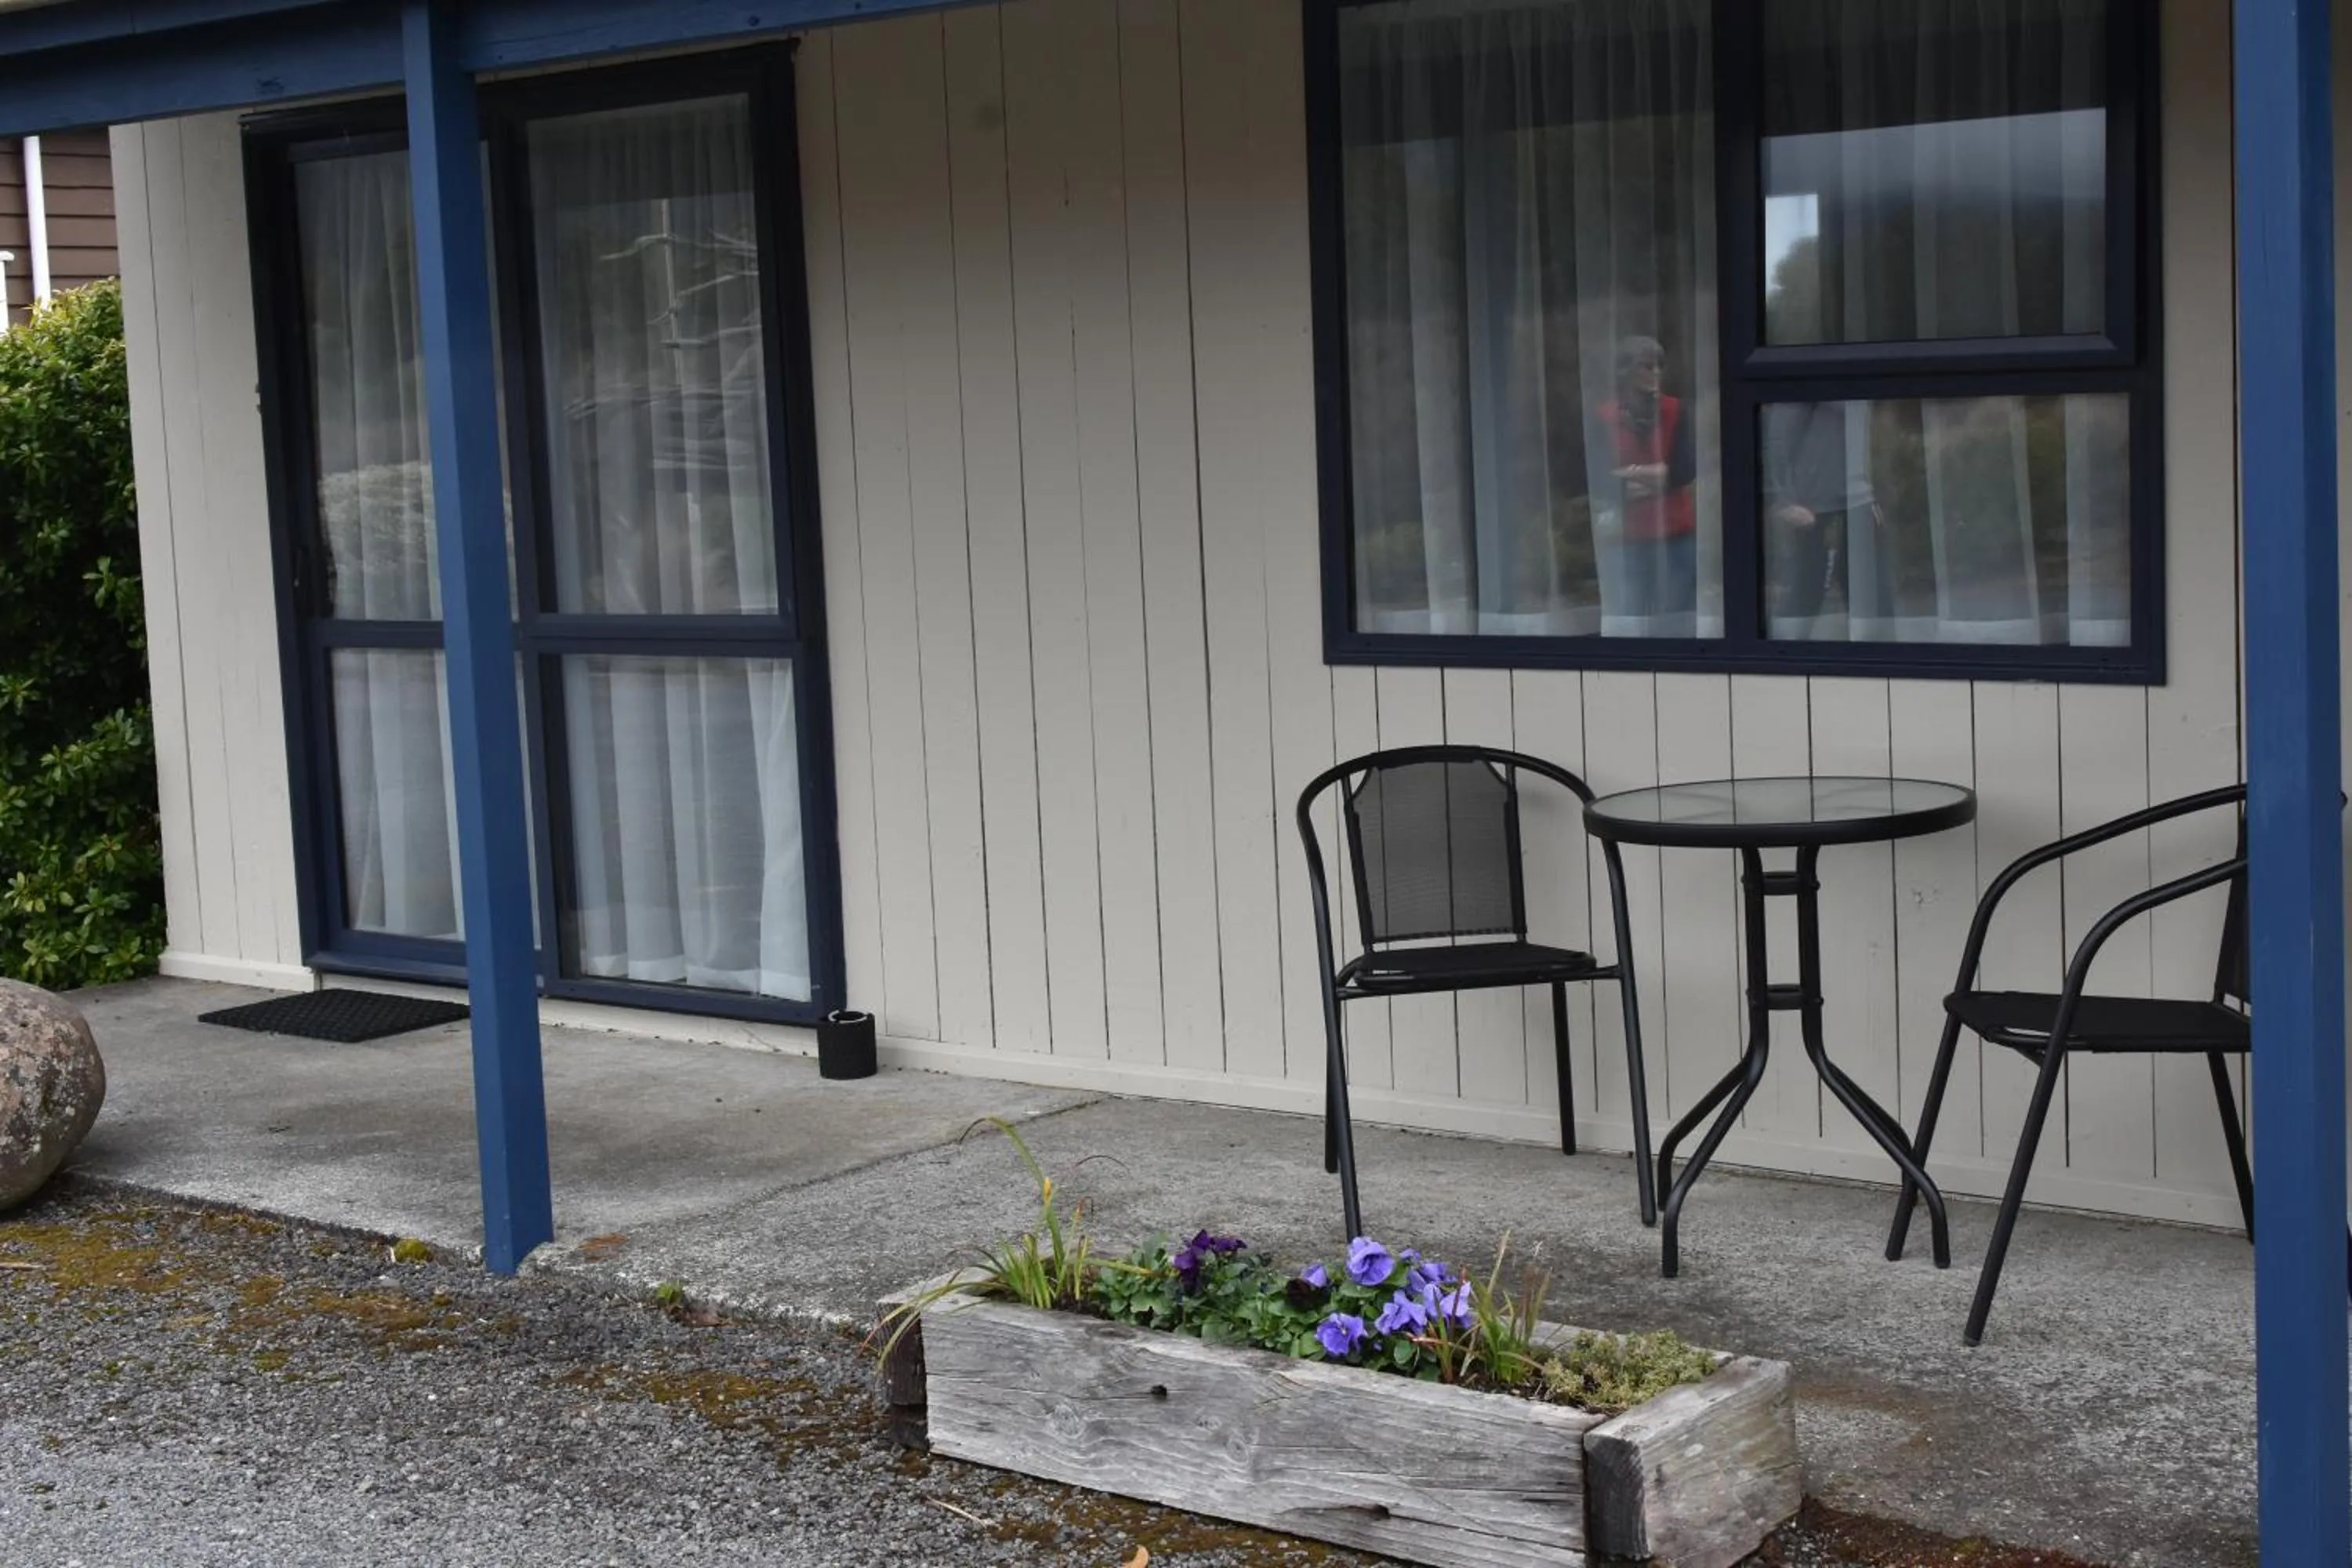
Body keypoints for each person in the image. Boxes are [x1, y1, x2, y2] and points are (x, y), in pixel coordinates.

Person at [1588, 335, 1697, 621]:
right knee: (1629, 617)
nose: (1655, 373)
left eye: (1659, 366)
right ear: (1627, 372)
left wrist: (1630, 474)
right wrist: (1656, 475)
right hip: (1625, 537)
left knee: (1675, 616)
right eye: (1647, 367)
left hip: (1675, 533)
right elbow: (1598, 476)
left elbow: (1684, 470)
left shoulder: (1677, 410)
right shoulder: (1604, 416)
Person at [1762, 400, 1889, 635]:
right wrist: (1785, 499)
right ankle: (1786, 661)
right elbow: (1780, 435)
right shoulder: (1809, 375)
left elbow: (1866, 440)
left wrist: (1872, 494)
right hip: (1811, 506)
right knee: (1806, 590)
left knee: (1872, 594)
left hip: (1858, 499)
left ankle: (1876, 658)